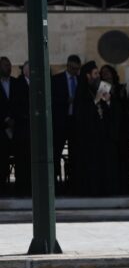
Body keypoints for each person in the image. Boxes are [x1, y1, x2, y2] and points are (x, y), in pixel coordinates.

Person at [73, 61, 120, 196]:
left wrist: (109, 101)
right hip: (89, 139)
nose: (98, 76)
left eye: (98, 73)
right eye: (95, 74)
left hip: (104, 136)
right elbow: (82, 114)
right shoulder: (82, 92)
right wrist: (97, 101)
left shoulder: (103, 88)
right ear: (88, 76)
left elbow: (114, 111)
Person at [51, 54, 81, 191]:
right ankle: (56, 182)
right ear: (68, 66)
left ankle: (74, 181)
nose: (76, 71)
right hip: (61, 121)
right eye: (73, 68)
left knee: (75, 152)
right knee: (56, 152)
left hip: (75, 121)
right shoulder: (57, 80)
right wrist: (66, 101)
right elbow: (51, 100)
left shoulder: (80, 80)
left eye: (77, 69)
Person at [100, 65, 129, 193]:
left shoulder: (120, 87)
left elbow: (126, 105)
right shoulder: (102, 88)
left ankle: (124, 185)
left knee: (123, 157)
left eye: (108, 72)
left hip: (122, 127)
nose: (106, 75)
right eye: (103, 73)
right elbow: (100, 106)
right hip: (109, 129)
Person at [13, 62, 31, 196]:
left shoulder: (38, 83)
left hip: (34, 131)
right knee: (22, 159)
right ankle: (21, 188)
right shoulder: (17, 84)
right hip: (22, 128)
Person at [0, 57, 17, 194]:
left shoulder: (16, 83)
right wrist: (5, 119)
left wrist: (14, 119)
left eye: (10, 65)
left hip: (16, 128)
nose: (9, 68)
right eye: (6, 65)